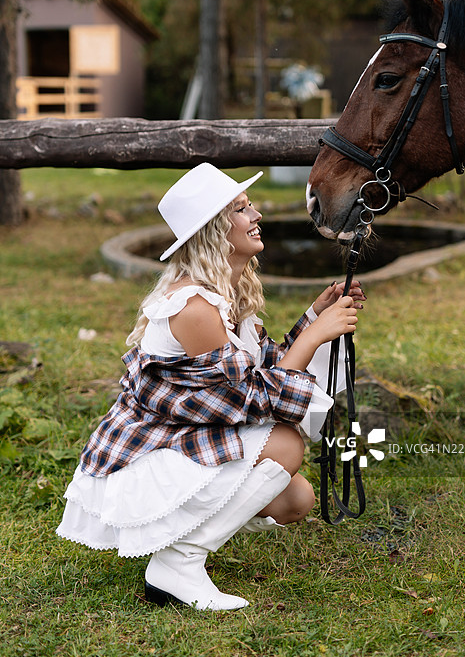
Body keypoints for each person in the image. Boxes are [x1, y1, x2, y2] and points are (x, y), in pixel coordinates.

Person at [56, 163, 366, 611]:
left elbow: (257, 371)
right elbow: (254, 400)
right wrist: (316, 337)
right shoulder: (194, 305)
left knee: (296, 500)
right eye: (242, 209)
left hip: (192, 431)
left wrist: (315, 318)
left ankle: (187, 530)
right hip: (149, 450)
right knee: (283, 444)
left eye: (249, 205)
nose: (256, 215)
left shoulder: (226, 292)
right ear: (216, 230)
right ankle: (177, 562)